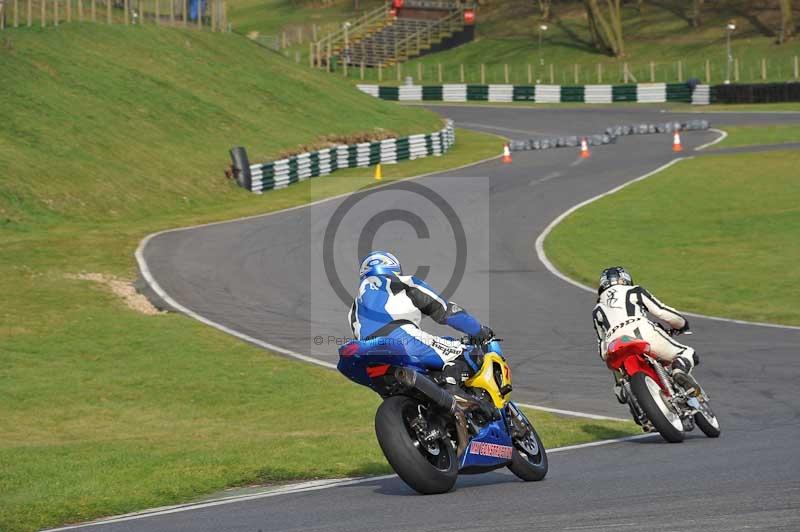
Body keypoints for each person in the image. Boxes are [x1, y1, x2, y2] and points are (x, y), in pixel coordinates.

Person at [348, 251, 493, 380]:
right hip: (402, 338)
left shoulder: (354, 308)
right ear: (394, 268)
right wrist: (479, 331)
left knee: (444, 344)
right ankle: (454, 393)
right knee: (471, 355)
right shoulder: (403, 282)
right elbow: (446, 311)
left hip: (369, 354)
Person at [592, 266, 699, 401]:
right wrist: (682, 324)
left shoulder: (597, 310)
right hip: (641, 331)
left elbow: (602, 348)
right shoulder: (634, 291)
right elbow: (662, 311)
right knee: (688, 353)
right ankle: (679, 370)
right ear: (625, 279)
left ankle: (622, 385)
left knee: (614, 365)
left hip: (614, 344)